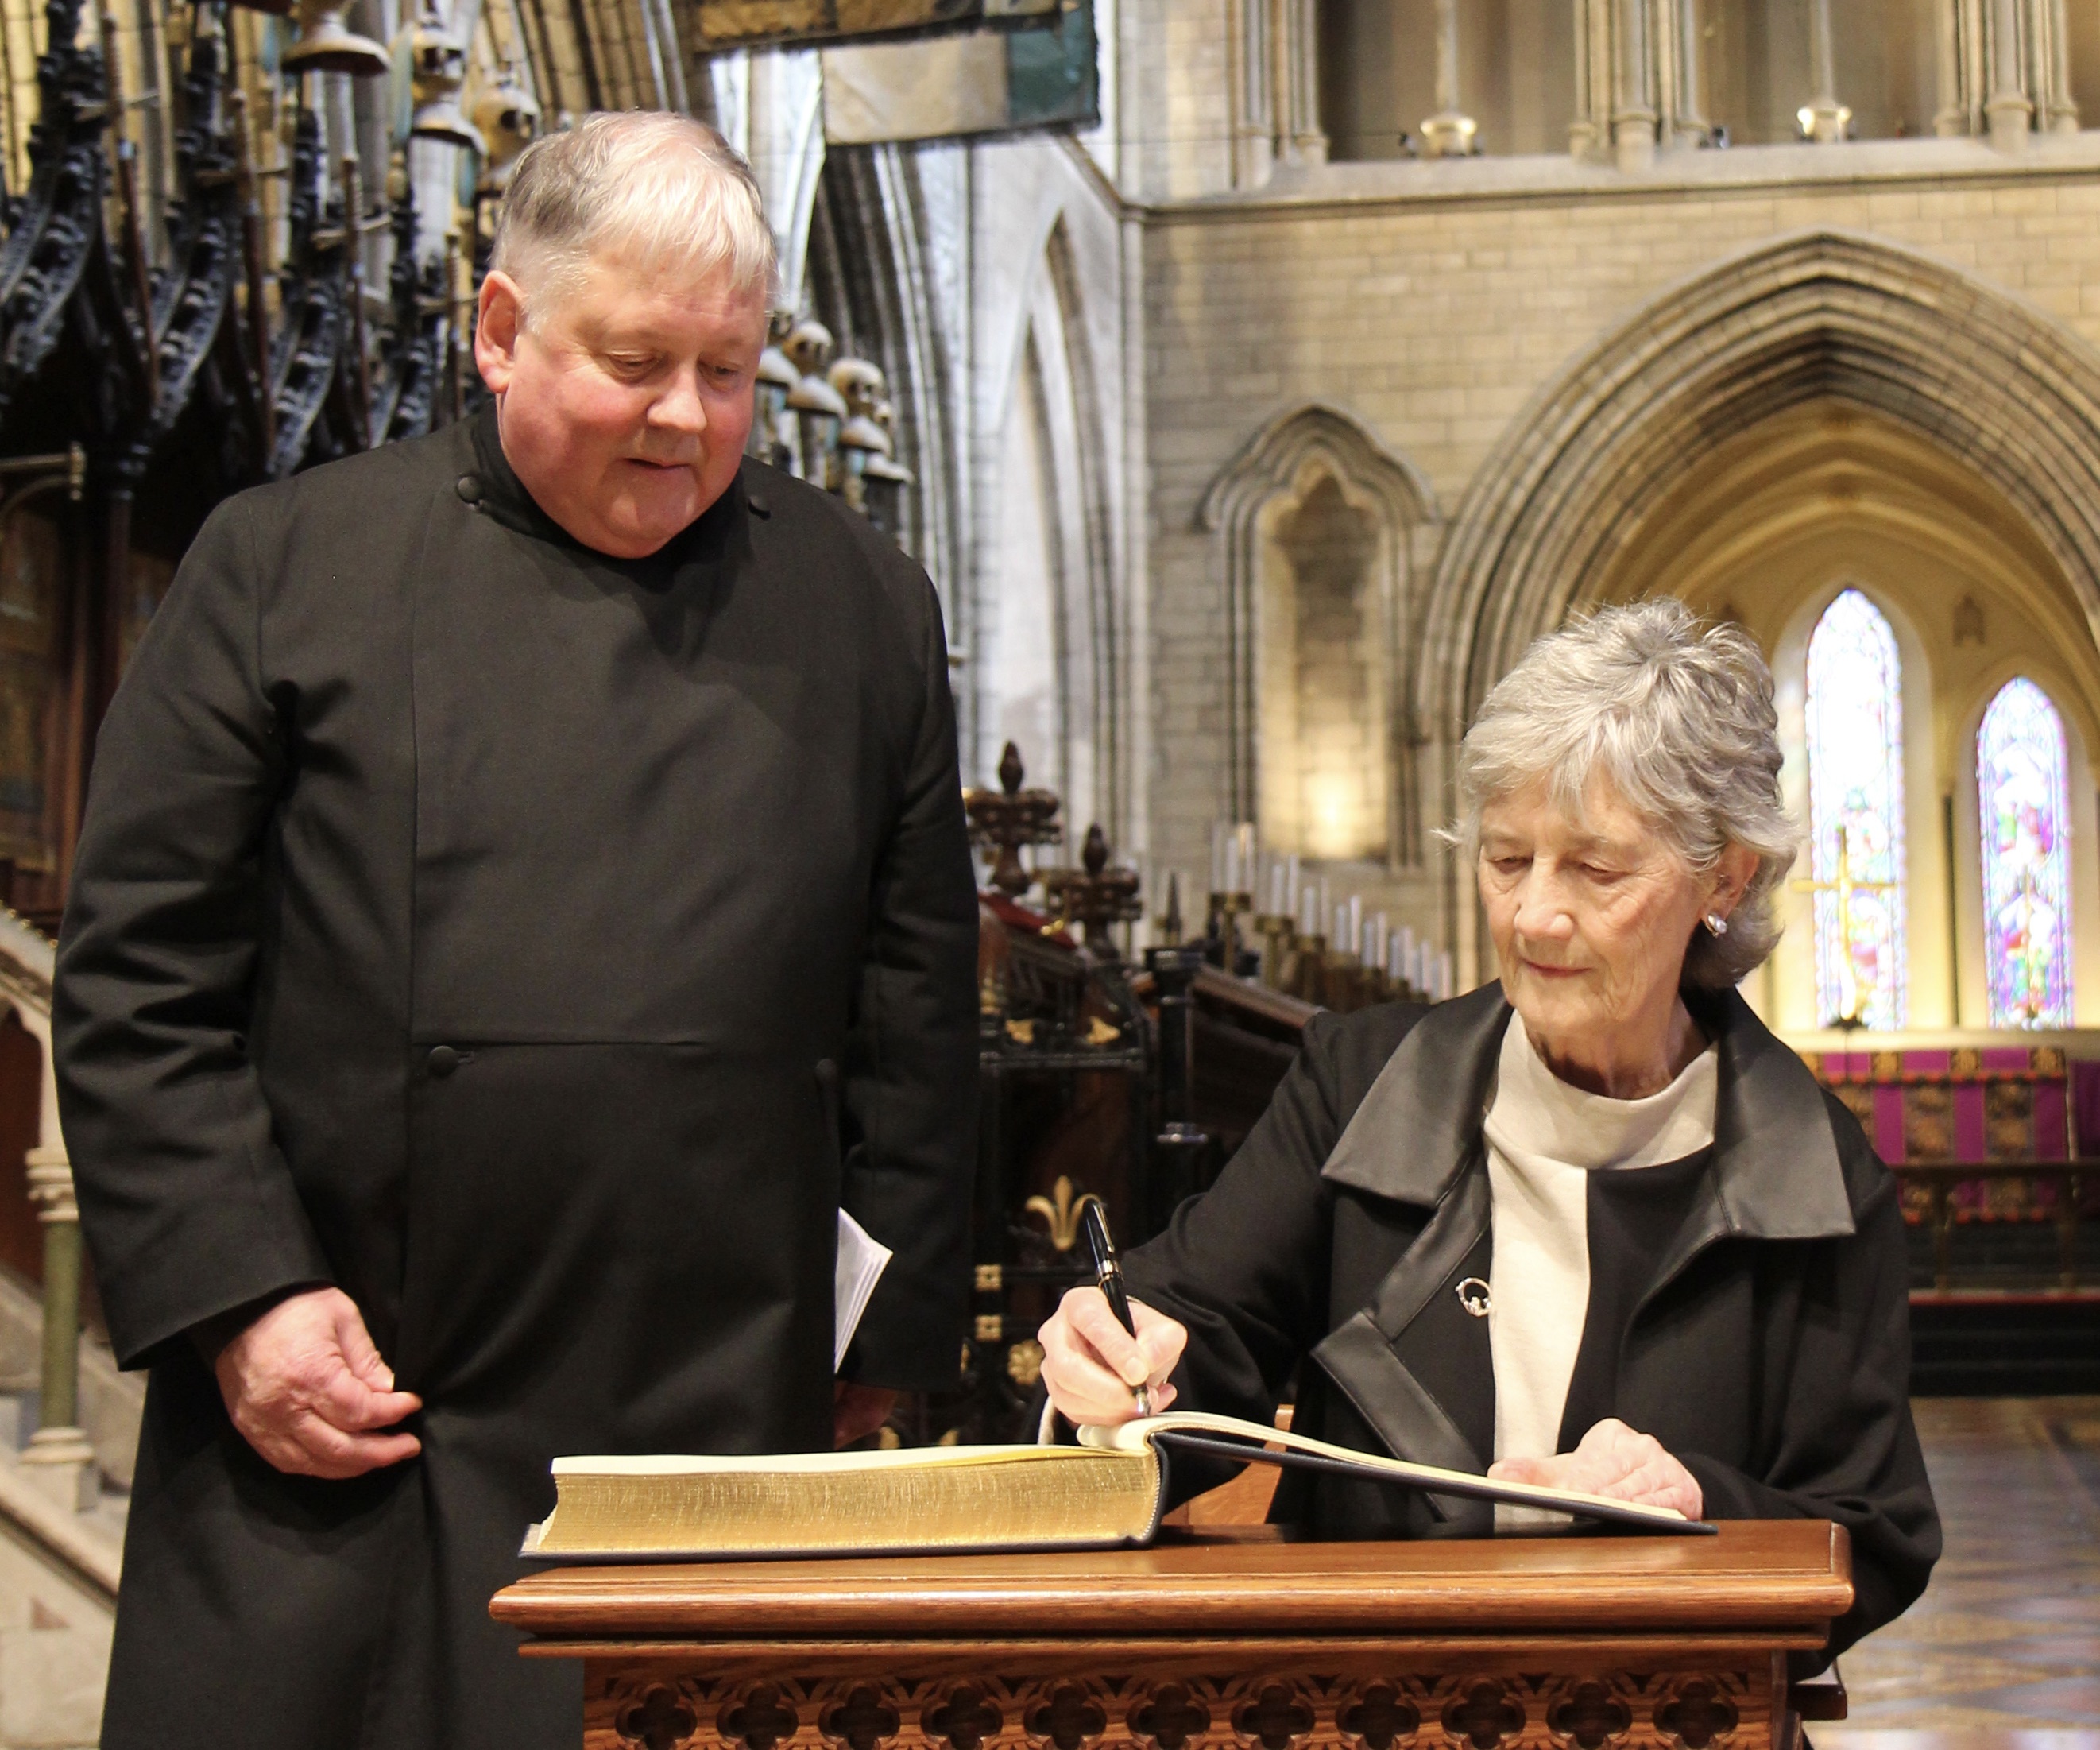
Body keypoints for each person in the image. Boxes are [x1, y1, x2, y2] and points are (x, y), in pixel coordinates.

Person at [53, 113, 978, 1750]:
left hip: (715, 1445)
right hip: (353, 1422)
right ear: (499, 330)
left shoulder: (865, 608)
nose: (685, 418)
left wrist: (875, 1352)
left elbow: (916, 1019)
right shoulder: (283, 566)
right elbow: (140, 978)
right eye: (634, 363)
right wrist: (244, 1300)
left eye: (728, 372)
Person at [1038, 599, 1940, 1669]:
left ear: (1725, 875)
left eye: (1595, 870)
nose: (1533, 916)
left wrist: (1700, 1500)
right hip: (1361, 1704)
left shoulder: (1815, 1173)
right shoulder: (1362, 1087)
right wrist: (1111, 1370)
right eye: (1507, 859)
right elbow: (1195, 1327)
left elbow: (1872, 1528)